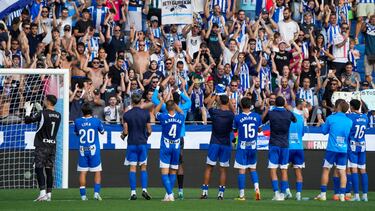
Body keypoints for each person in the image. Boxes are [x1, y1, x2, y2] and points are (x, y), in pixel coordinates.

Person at [24, 95, 61, 201]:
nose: (44, 101)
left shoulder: (42, 113)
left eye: (45, 99)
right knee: (49, 169)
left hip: (42, 145)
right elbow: (47, 122)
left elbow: (28, 120)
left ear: (48, 102)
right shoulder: (58, 115)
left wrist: (28, 110)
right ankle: (49, 195)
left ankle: (42, 193)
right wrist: (40, 110)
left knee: (38, 168)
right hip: (52, 145)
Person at [314, 100, 353, 202]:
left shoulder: (331, 118)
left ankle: (323, 194)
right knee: (342, 172)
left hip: (332, 149)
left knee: (326, 170)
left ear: (338, 107)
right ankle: (342, 195)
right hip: (343, 149)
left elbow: (323, 132)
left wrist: (322, 123)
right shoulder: (349, 121)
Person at [262, 96, 296, 201]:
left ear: (275, 103)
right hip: (285, 145)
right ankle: (284, 192)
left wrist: (267, 108)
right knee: (284, 170)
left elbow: (262, 120)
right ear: (284, 103)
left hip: (274, 144)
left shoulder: (271, 113)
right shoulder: (288, 113)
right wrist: (286, 107)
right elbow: (294, 119)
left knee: (273, 169)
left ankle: (276, 193)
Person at [201, 94, 235, 200]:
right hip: (225, 144)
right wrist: (228, 100)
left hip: (214, 143)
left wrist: (214, 97)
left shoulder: (215, 112)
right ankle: (221, 194)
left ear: (219, 102)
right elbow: (234, 111)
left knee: (209, 167)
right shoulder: (230, 115)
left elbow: (208, 106)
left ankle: (205, 193)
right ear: (228, 102)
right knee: (223, 170)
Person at [121, 93, 152, 200]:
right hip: (142, 143)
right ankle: (144, 190)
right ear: (141, 101)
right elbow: (149, 130)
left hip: (131, 144)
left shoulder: (127, 114)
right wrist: (145, 137)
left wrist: (122, 136)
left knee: (132, 168)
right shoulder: (146, 113)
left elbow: (125, 131)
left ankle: (133, 193)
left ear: (131, 102)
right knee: (143, 167)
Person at [155, 99, 185, 202]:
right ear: (175, 106)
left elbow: (155, 112)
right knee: (173, 171)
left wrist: (161, 101)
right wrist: (175, 105)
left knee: (164, 172)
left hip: (166, 146)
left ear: (166, 108)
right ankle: (168, 195)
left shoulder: (163, 117)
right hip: (176, 147)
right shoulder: (181, 117)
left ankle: (170, 194)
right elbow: (181, 111)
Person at [233, 97, 262, 201]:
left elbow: (235, 131)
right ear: (250, 106)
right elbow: (259, 130)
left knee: (242, 169)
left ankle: (241, 195)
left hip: (242, 146)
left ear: (241, 106)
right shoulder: (257, 116)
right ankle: (257, 189)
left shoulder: (237, 118)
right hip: (253, 146)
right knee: (253, 169)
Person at [74, 103, 105, 201]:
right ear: (92, 111)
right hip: (93, 149)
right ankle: (96, 194)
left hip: (83, 149)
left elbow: (77, 132)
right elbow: (102, 131)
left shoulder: (77, 121)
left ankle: (83, 196)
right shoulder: (96, 121)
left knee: (83, 172)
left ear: (82, 111)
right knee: (97, 171)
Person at [346, 99, 369, 202]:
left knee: (353, 170)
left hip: (353, 146)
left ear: (351, 106)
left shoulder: (350, 117)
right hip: (362, 146)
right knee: (363, 170)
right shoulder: (365, 117)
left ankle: (356, 195)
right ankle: (365, 195)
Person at [286, 107, 305, 200]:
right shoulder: (301, 118)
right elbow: (302, 134)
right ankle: (298, 194)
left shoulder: (286, 117)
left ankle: (287, 191)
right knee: (298, 171)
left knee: (283, 170)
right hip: (299, 147)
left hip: (288, 147)